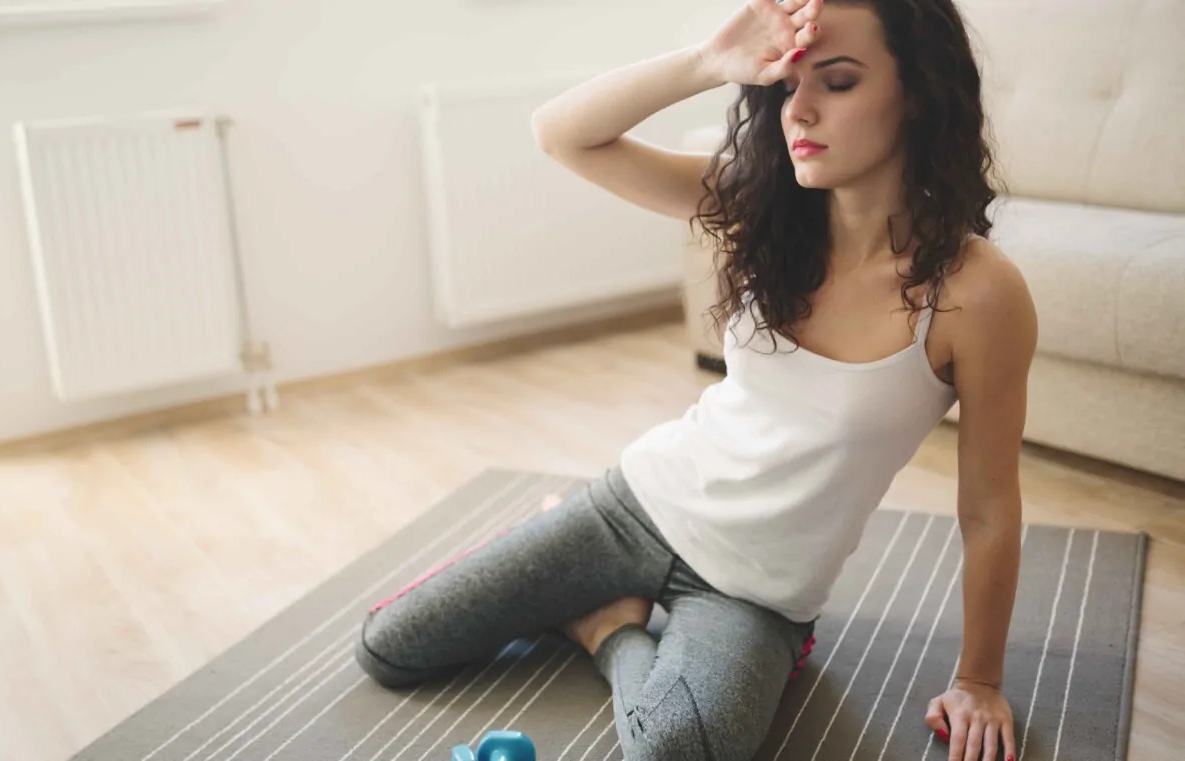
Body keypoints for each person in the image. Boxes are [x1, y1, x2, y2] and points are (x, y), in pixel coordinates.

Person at [354, 0, 1037, 759]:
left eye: (838, 82)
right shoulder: (758, 204)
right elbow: (561, 133)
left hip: (756, 592)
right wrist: (711, 60)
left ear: (918, 94)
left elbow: (988, 509)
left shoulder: (977, 294)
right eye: (787, 86)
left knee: (674, 750)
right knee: (391, 647)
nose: (800, 109)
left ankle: (608, 626)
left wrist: (978, 679)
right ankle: (606, 601)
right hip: (641, 504)